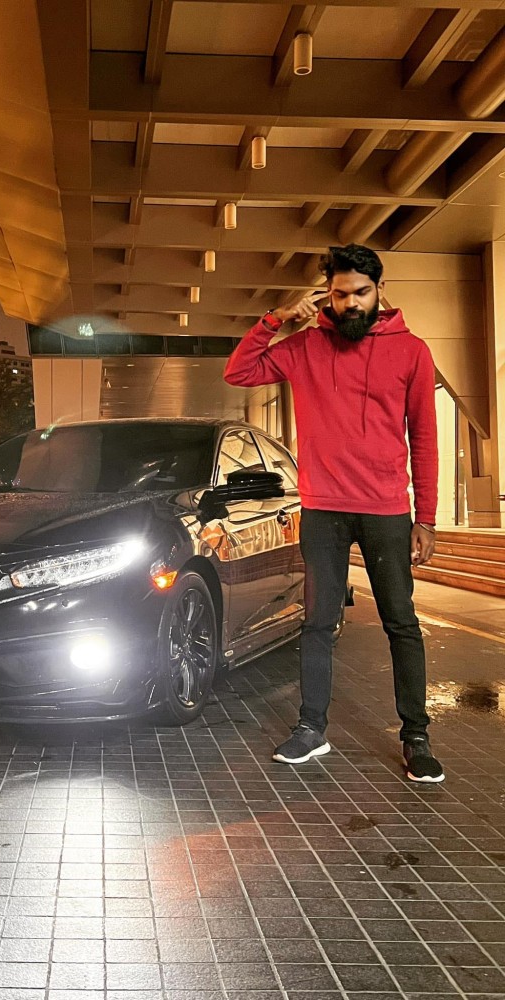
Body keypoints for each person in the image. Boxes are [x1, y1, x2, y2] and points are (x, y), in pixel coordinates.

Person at [223, 244, 443, 783]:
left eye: (360, 293)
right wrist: (276, 319)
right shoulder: (303, 347)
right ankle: (310, 729)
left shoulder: (412, 351)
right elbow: (239, 371)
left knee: (402, 623)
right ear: (328, 293)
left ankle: (416, 737)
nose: (349, 304)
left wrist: (428, 517)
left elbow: (426, 438)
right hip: (322, 509)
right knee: (318, 623)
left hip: (387, 510)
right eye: (339, 294)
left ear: (379, 291)